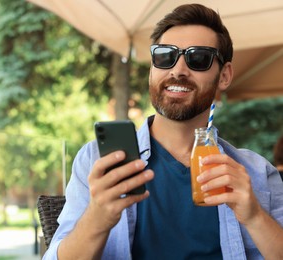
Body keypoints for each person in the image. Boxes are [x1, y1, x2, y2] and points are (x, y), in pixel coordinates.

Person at [43, 4, 283, 260]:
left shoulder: (255, 172)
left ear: (224, 76)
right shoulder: (97, 161)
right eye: (164, 56)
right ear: (152, 68)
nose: (178, 70)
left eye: (198, 58)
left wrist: (255, 216)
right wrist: (97, 218)